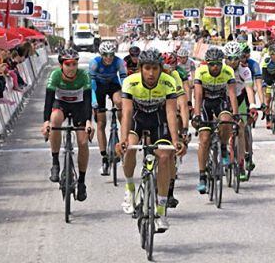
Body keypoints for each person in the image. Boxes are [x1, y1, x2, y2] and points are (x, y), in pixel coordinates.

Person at [116, 49, 186, 231]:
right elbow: (127, 112)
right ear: (140, 69)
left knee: (164, 157)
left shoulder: (168, 82)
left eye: (155, 68)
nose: (151, 73)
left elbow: (171, 112)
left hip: (158, 121)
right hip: (137, 120)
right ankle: (130, 189)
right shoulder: (130, 82)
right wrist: (122, 139)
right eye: (147, 68)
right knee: (130, 147)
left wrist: (176, 140)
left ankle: (161, 211)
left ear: (160, 69)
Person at [41, 49, 93, 202]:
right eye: (68, 64)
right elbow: (48, 101)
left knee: (83, 142)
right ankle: (55, 163)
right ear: (61, 65)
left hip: (79, 106)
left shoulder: (84, 76)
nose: (72, 68)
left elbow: (88, 101)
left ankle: (82, 182)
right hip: (61, 104)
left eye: (74, 64)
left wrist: (89, 121)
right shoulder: (55, 75)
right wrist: (46, 123)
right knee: (55, 119)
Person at [192, 47, 240, 193]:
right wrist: (197, 114)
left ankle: (224, 148)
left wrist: (236, 113)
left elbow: (232, 94)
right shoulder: (200, 71)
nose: (215, 67)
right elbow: (198, 94)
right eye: (212, 64)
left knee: (226, 120)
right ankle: (202, 176)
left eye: (218, 64)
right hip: (205, 103)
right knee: (205, 139)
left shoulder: (228, 71)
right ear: (207, 63)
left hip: (220, 101)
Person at [90, 41, 127, 176]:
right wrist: (94, 101)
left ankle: (122, 129)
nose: (109, 58)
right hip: (98, 87)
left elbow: (124, 81)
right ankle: (104, 157)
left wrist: (126, 97)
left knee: (119, 101)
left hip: (113, 84)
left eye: (111, 55)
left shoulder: (119, 62)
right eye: (106, 55)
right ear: (101, 54)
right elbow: (92, 85)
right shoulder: (94, 63)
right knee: (101, 122)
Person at [224, 41, 260, 178]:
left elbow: (249, 89)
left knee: (241, 128)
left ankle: (240, 162)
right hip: (225, 99)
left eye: (235, 58)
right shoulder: (222, 69)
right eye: (229, 58)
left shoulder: (245, 70)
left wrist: (252, 106)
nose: (232, 62)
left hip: (240, 99)